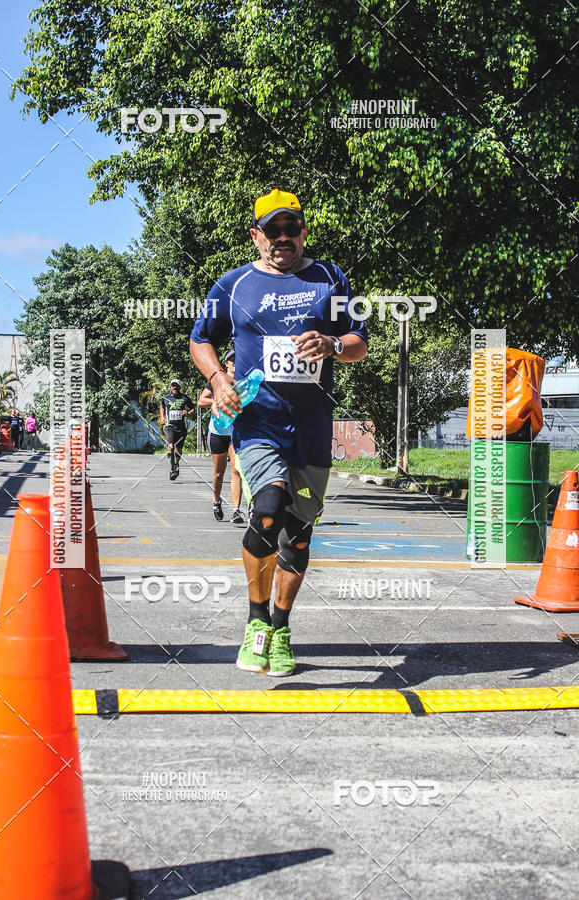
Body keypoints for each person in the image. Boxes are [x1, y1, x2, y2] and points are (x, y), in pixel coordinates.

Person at [190, 189, 368, 677]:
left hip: (311, 428)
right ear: (256, 235)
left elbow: (359, 343)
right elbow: (200, 339)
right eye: (273, 230)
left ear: (303, 232)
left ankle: (282, 628)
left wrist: (333, 344)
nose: (282, 238)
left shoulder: (330, 278)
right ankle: (257, 622)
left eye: (291, 229)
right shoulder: (234, 285)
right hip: (258, 424)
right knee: (267, 509)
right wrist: (218, 380)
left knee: (298, 535)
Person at [198, 349, 244, 523]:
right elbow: (201, 401)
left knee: (236, 470)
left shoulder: (242, 381)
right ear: (226, 363)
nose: (235, 362)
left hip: (235, 431)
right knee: (219, 473)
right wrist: (215, 401)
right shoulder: (217, 380)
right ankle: (217, 502)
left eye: (237, 358)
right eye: (231, 359)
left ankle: (236, 510)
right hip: (218, 432)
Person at [159, 379, 195, 480]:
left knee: (178, 449)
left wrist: (187, 413)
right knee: (170, 446)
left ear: (179, 387)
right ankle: (172, 470)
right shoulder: (165, 397)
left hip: (181, 427)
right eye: (172, 385)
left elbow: (192, 409)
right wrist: (162, 417)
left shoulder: (185, 398)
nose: (174, 387)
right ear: (170, 387)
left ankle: (176, 464)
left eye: (176, 386)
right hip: (169, 426)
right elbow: (162, 406)